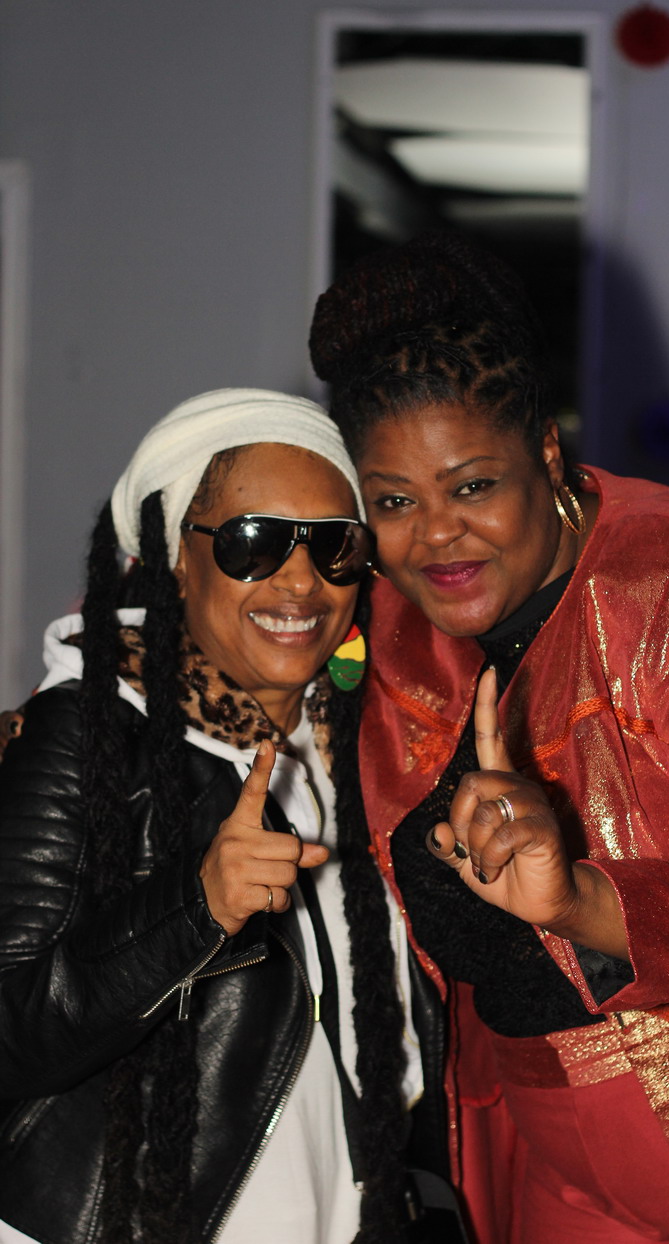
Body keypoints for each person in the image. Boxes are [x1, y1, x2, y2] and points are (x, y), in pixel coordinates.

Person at [309, 232, 669, 1244]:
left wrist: (577, 901)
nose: (436, 535)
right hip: (536, 1151)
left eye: (472, 486)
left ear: (546, 453)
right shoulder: (389, 628)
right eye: (394, 502)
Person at [0, 388, 428, 1244]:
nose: (300, 580)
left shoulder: (366, 746)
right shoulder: (90, 730)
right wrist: (194, 909)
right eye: (253, 542)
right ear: (175, 562)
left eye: (334, 545)